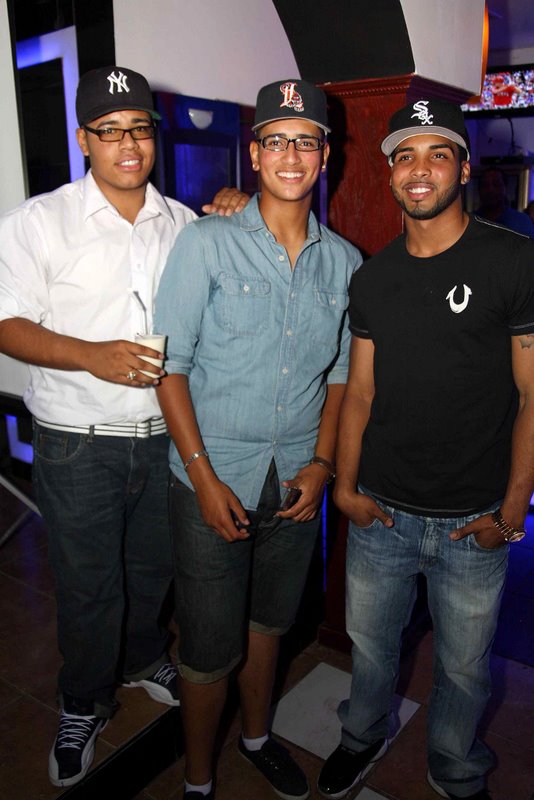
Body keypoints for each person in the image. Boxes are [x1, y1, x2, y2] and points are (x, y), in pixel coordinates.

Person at [0, 65, 247, 788]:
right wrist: (91, 355)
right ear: (84, 139)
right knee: (88, 584)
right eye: (109, 131)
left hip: (167, 437)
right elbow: (7, 324)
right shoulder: (38, 222)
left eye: (139, 128)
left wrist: (241, 211)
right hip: (78, 441)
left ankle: (140, 659)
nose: (128, 144)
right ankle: (83, 700)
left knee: (152, 569)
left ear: (153, 135)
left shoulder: (186, 223)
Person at [317, 98, 534, 800]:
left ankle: (454, 764)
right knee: (371, 649)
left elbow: (533, 395)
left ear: (463, 168)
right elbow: (360, 393)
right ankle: (361, 735)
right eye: (404, 155)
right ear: (389, 174)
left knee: (464, 669)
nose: (419, 169)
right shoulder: (372, 278)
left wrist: (512, 511)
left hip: (475, 519)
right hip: (381, 512)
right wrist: (345, 487)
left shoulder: (514, 260)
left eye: (437, 153)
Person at [154, 78, 362, 800]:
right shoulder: (205, 244)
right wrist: (203, 477)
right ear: (254, 153)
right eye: (276, 141)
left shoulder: (346, 263)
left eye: (306, 141)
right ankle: (198, 780)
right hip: (211, 479)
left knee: (270, 625)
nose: (291, 155)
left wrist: (324, 463)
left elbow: (340, 378)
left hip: (297, 482)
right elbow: (170, 367)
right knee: (208, 648)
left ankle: (256, 738)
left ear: (325, 155)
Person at [475, 166, 534, 236]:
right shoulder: (470, 221)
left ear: (505, 188)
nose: (490, 190)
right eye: (485, 185)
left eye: (496, 184)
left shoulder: (522, 221)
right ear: (479, 190)